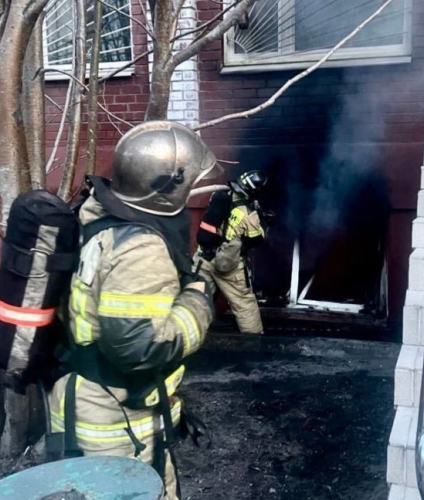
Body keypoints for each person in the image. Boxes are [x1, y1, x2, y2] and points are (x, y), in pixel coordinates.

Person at [47, 121, 216, 500]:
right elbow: (139, 348)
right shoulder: (141, 248)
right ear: (167, 189)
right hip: (116, 420)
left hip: (87, 398)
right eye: (188, 183)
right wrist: (198, 299)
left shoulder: (99, 215)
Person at [194, 171, 270, 335]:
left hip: (203, 258)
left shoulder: (219, 196)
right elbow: (255, 239)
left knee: (196, 298)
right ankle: (253, 342)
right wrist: (264, 223)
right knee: (244, 303)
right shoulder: (248, 214)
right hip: (227, 265)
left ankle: (190, 337)